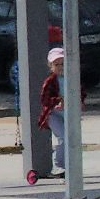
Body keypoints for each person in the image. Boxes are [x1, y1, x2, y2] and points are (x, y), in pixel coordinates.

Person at [34, 46, 81, 180]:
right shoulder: (50, 81)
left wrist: (79, 101)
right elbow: (45, 99)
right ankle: (59, 166)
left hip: (69, 113)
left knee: (72, 138)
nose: (60, 67)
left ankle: (72, 165)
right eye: (56, 64)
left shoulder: (73, 78)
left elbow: (80, 92)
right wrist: (58, 101)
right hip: (53, 114)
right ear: (50, 66)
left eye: (63, 63)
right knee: (62, 137)